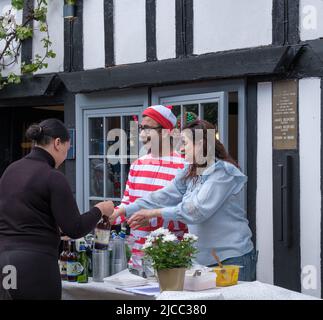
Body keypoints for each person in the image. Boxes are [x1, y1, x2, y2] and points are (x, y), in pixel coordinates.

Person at [111, 120, 257, 281]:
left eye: (185, 143)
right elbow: (163, 196)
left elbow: (196, 211)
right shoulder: (190, 171)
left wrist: (154, 213)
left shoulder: (222, 173)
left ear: (200, 144)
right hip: (201, 260)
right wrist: (124, 210)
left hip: (230, 259)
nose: (180, 148)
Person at [0, 119, 114, 300]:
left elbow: (22, 214)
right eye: (67, 149)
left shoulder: (11, 170)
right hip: (36, 265)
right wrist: (100, 209)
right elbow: (75, 228)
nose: (65, 156)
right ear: (57, 143)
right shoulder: (53, 176)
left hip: (5, 262)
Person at [113, 105, 194, 276]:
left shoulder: (184, 166)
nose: (142, 134)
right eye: (141, 128)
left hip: (171, 259)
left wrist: (151, 219)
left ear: (165, 132)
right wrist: (107, 217)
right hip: (136, 257)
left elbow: (188, 215)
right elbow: (127, 204)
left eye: (147, 128)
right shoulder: (137, 165)